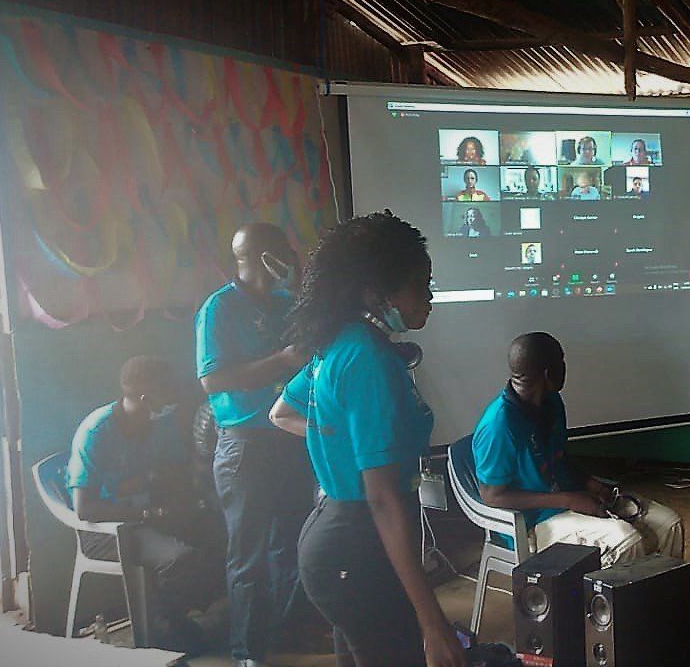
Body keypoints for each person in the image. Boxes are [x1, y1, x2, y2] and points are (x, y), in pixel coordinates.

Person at [269, 212, 465, 667]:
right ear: (377, 294)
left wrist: (343, 445)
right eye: (421, 285)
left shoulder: (342, 342)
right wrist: (432, 623)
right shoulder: (367, 358)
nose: (430, 297)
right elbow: (382, 500)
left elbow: (284, 412)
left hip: (335, 537)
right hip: (356, 546)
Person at [195, 223, 316, 667]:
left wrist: (302, 282)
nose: (290, 256)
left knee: (291, 544)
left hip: (289, 436)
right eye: (284, 252)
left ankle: (288, 634)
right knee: (249, 556)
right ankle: (249, 652)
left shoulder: (287, 304)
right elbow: (213, 380)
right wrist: (282, 361)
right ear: (262, 256)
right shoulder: (219, 308)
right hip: (245, 445)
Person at [472, 333, 684, 567]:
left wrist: (591, 484)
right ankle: (620, 603)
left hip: (571, 498)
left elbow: (557, 459)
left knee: (669, 524)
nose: (565, 368)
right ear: (547, 373)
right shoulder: (499, 425)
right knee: (626, 541)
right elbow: (492, 496)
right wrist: (567, 499)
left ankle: (660, 598)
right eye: (561, 362)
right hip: (533, 523)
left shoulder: (551, 403)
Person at [67, 356, 222, 652]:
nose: (173, 397)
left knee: (219, 535)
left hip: (149, 517)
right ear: (144, 397)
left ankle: (177, 618)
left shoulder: (159, 426)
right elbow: (85, 508)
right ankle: (161, 630)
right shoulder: (96, 432)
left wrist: (183, 506)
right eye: (167, 391)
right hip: (110, 529)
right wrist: (150, 512)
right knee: (178, 558)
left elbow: (176, 471)